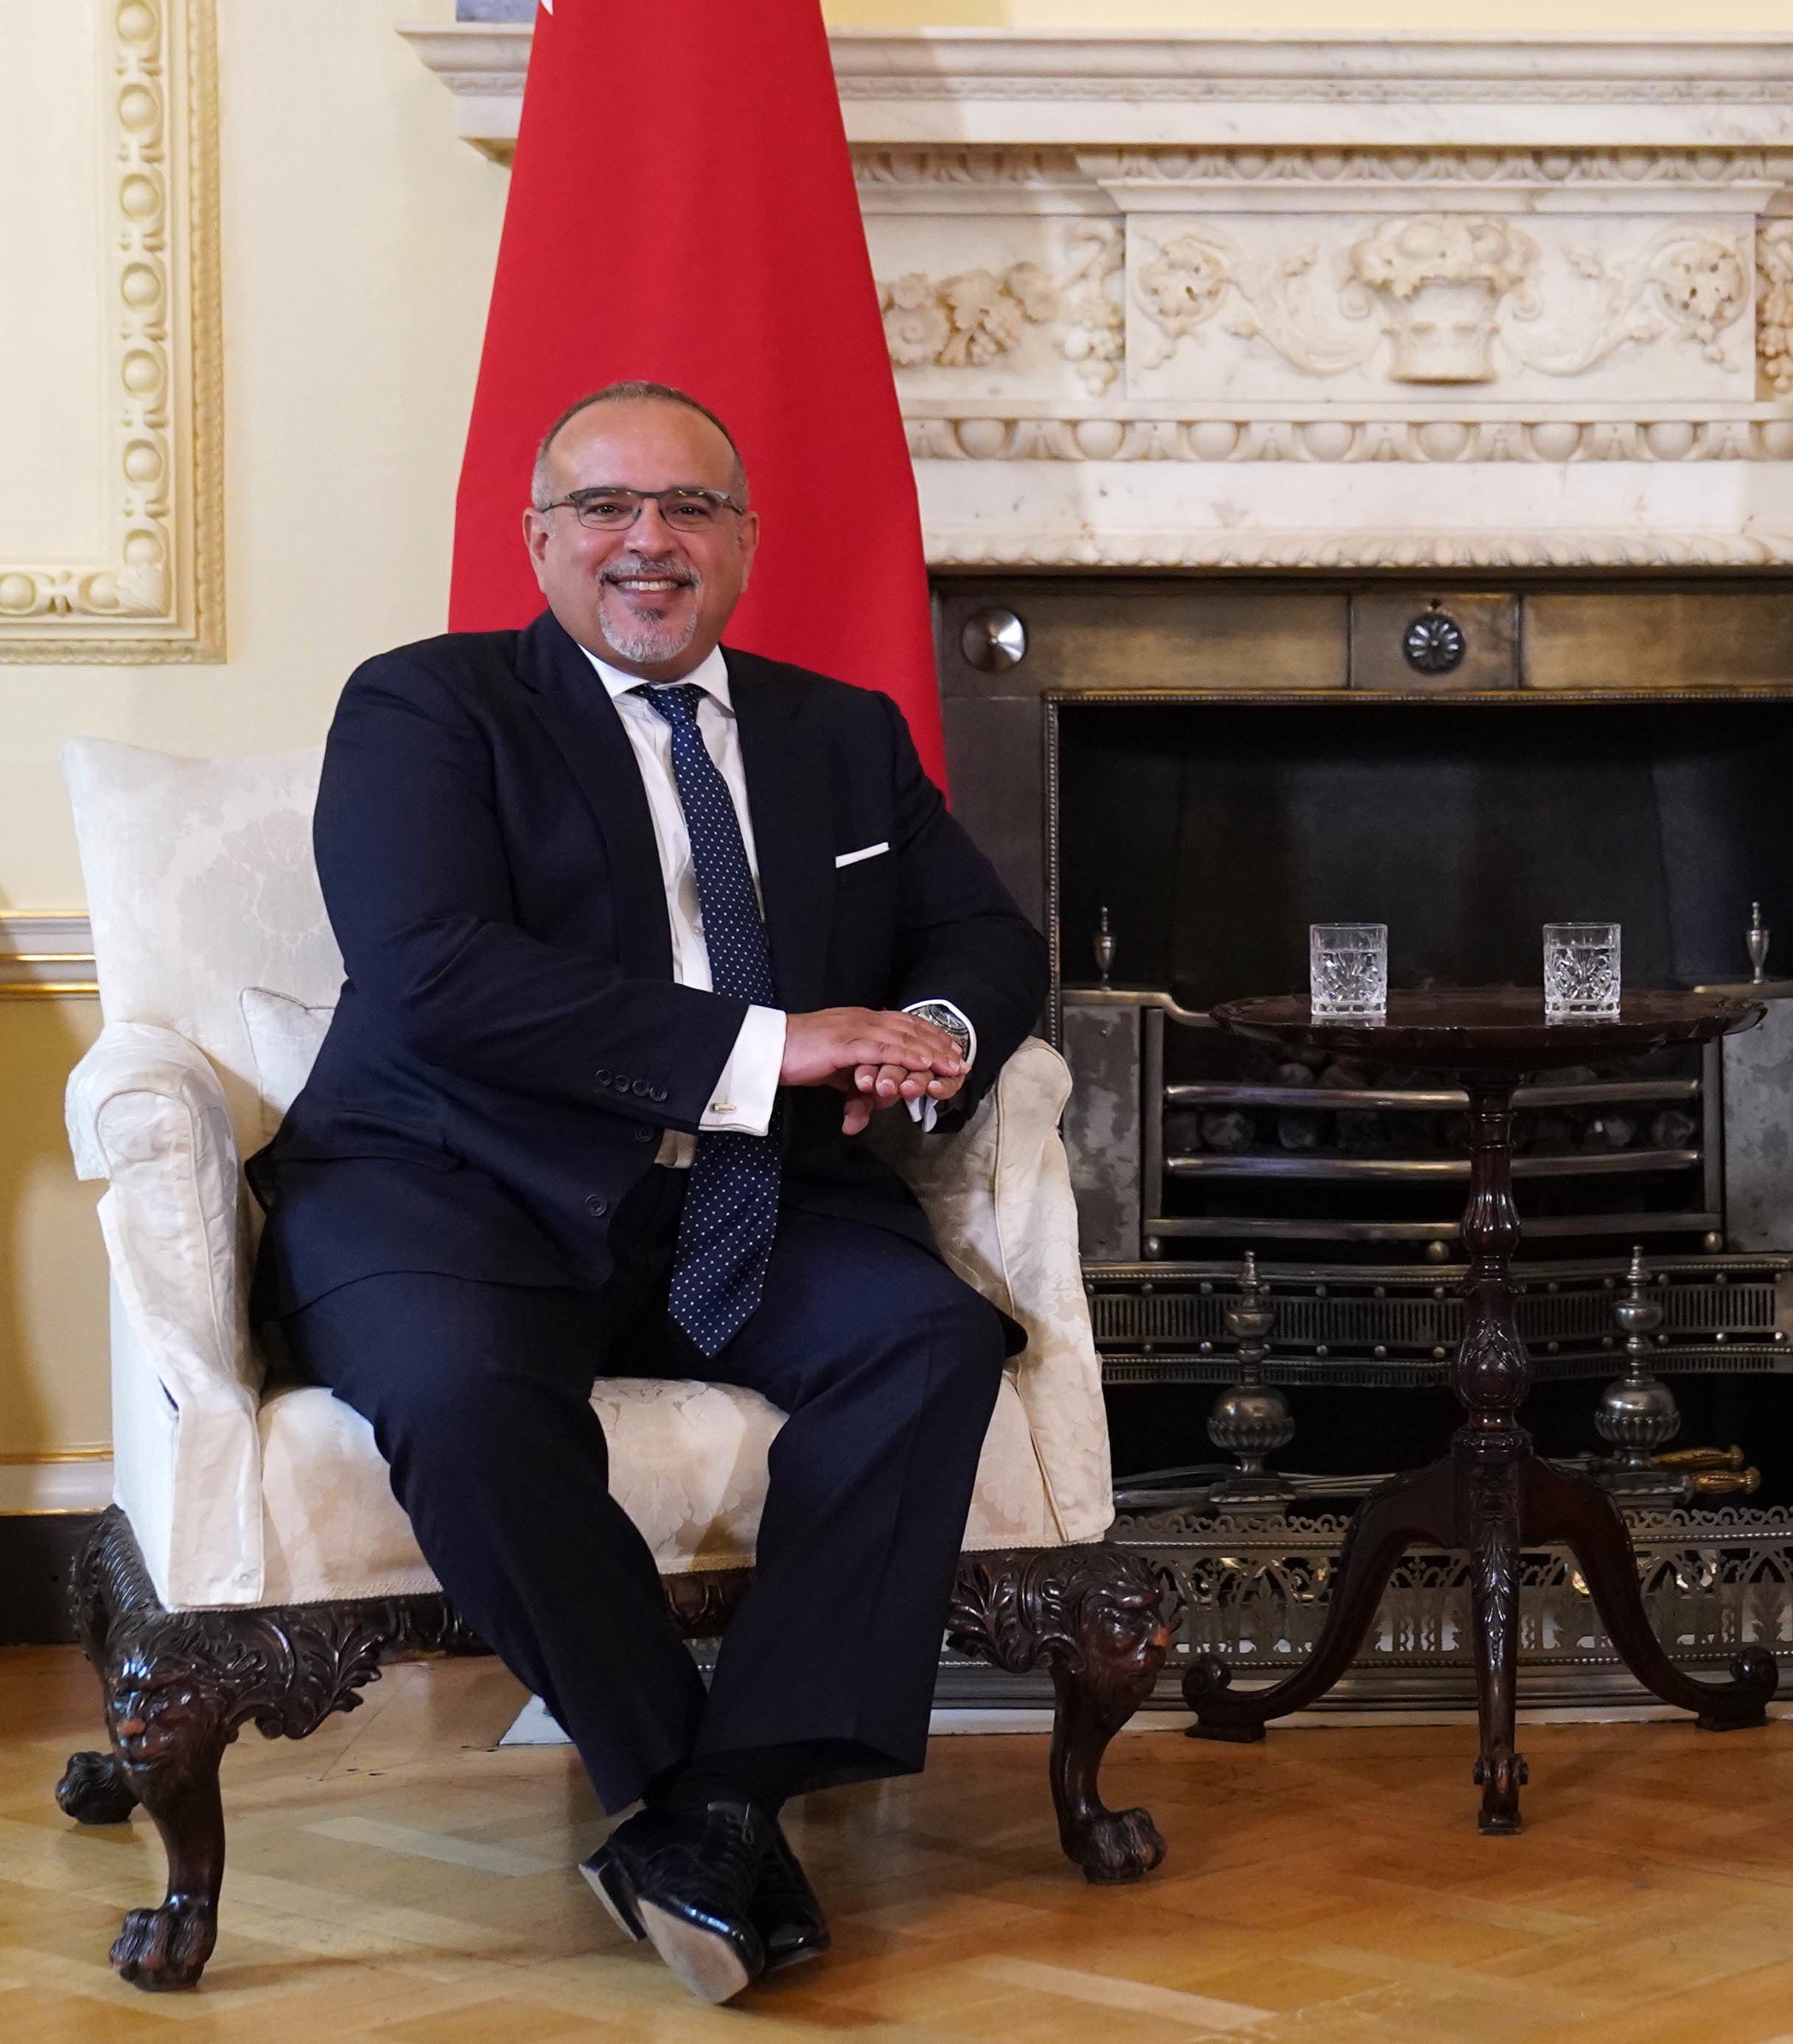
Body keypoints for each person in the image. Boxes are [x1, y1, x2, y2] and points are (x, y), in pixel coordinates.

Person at [248, 379, 1046, 2003]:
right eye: (606, 508)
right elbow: (437, 977)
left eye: (688, 508)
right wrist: (774, 1041)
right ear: (539, 539)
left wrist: (933, 1033)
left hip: (756, 1195)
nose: (648, 540)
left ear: (742, 544)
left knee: (932, 1343)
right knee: (465, 1403)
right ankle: (682, 1787)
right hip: (450, 1183)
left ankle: (725, 1802)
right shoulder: (428, 709)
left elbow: (984, 940)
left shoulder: (840, 732)